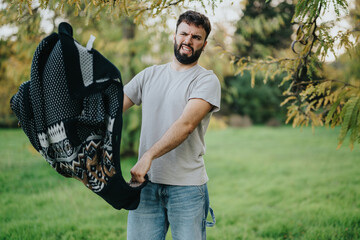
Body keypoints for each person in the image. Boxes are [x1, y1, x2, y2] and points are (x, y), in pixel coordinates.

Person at [123, 10, 221, 240]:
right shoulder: (149, 75)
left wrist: (148, 156)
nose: (188, 40)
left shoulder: (206, 80)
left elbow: (185, 125)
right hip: (145, 186)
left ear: (204, 44)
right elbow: (112, 109)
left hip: (186, 188)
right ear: (174, 36)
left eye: (196, 37)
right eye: (184, 33)